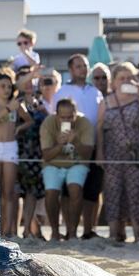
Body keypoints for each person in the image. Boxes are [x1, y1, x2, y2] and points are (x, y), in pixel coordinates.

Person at [96, 62, 139, 243]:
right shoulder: (106, 102)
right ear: (113, 82)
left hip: (136, 155)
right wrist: (100, 152)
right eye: (122, 78)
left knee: (136, 193)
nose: (126, 81)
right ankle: (115, 234)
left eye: (130, 77)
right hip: (112, 154)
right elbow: (99, 128)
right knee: (113, 193)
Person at [54, 54, 105, 239]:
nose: (83, 69)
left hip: (92, 144)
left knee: (92, 189)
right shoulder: (62, 91)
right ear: (71, 69)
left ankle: (89, 230)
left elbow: (99, 122)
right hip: (70, 146)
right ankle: (70, 230)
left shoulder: (96, 92)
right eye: (78, 66)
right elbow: (57, 119)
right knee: (69, 190)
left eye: (85, 65)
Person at [0, 70, 32, 237]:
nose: (6, 89)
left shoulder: (16, 104)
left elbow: (29, 120)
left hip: (10, 147)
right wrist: (8, 108)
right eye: (2, 86)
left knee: (9, 191)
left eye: (9, 86)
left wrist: (19, 127)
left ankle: (8, 230)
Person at [40, 99, 94, 240]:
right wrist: (60, 144)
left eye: (70, 117)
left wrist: (75, 141)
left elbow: (88, 154)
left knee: (75, 189)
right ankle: (55, 232)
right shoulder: (48, 123)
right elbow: (46, 156)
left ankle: (72, 232)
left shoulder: (85, 123)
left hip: (77, 163)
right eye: (63, 117)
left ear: (76, 114)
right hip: (53, 164)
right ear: (57, 115)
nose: (67, 120)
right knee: (51, 192)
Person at [16, 73, 46, 239]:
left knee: (32, 193)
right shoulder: (16, 102)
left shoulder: (40, 103)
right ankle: (27, 228)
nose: (28, 84)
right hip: (19, 151)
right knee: (21, 193)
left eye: (31, 81)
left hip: (37, 152)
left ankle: (29, 228)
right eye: (25, 81)